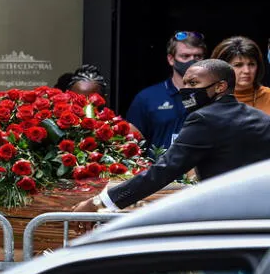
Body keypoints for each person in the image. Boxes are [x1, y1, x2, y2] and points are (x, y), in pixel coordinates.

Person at [74, 59, 270, 213]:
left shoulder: (203, 119)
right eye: (184, 84)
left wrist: (101, 203)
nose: (185, 90)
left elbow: (163, 171)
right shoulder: (260, 117)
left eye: (193, 83)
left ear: (220, 87)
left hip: (227, 222)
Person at [126, 31, 207, 151]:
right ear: (171, 59)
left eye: (198, 56)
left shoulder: (213, 95)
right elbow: (130, 145)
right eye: (185, 56)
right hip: (159, 167)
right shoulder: (147, 98)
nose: (192, 62)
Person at [211, 36, 270, 114]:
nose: (247, 71)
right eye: (238, 65)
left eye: (251, 64)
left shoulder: (268, 96)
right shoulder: (209, 98)